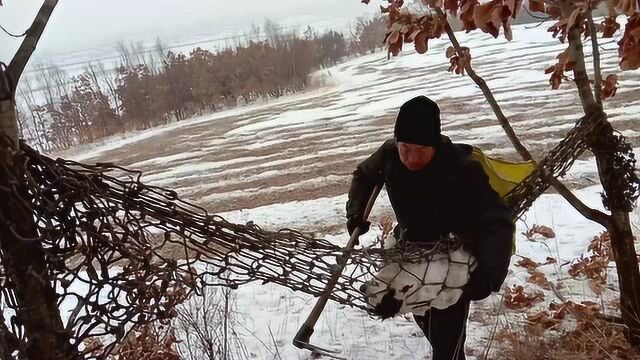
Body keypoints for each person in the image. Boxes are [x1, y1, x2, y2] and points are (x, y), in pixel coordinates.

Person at [346, 95, 514, 360]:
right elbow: (364, 175)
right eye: (405, 149)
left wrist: (490, 275)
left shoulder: (462, 169)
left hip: (452, 260)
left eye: (420, 151)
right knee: (424, 318)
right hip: (410, 253)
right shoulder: (389, 153)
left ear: (434, 145)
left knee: (447, 342)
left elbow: (498, 220)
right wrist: (355, 213)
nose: (411, 158)